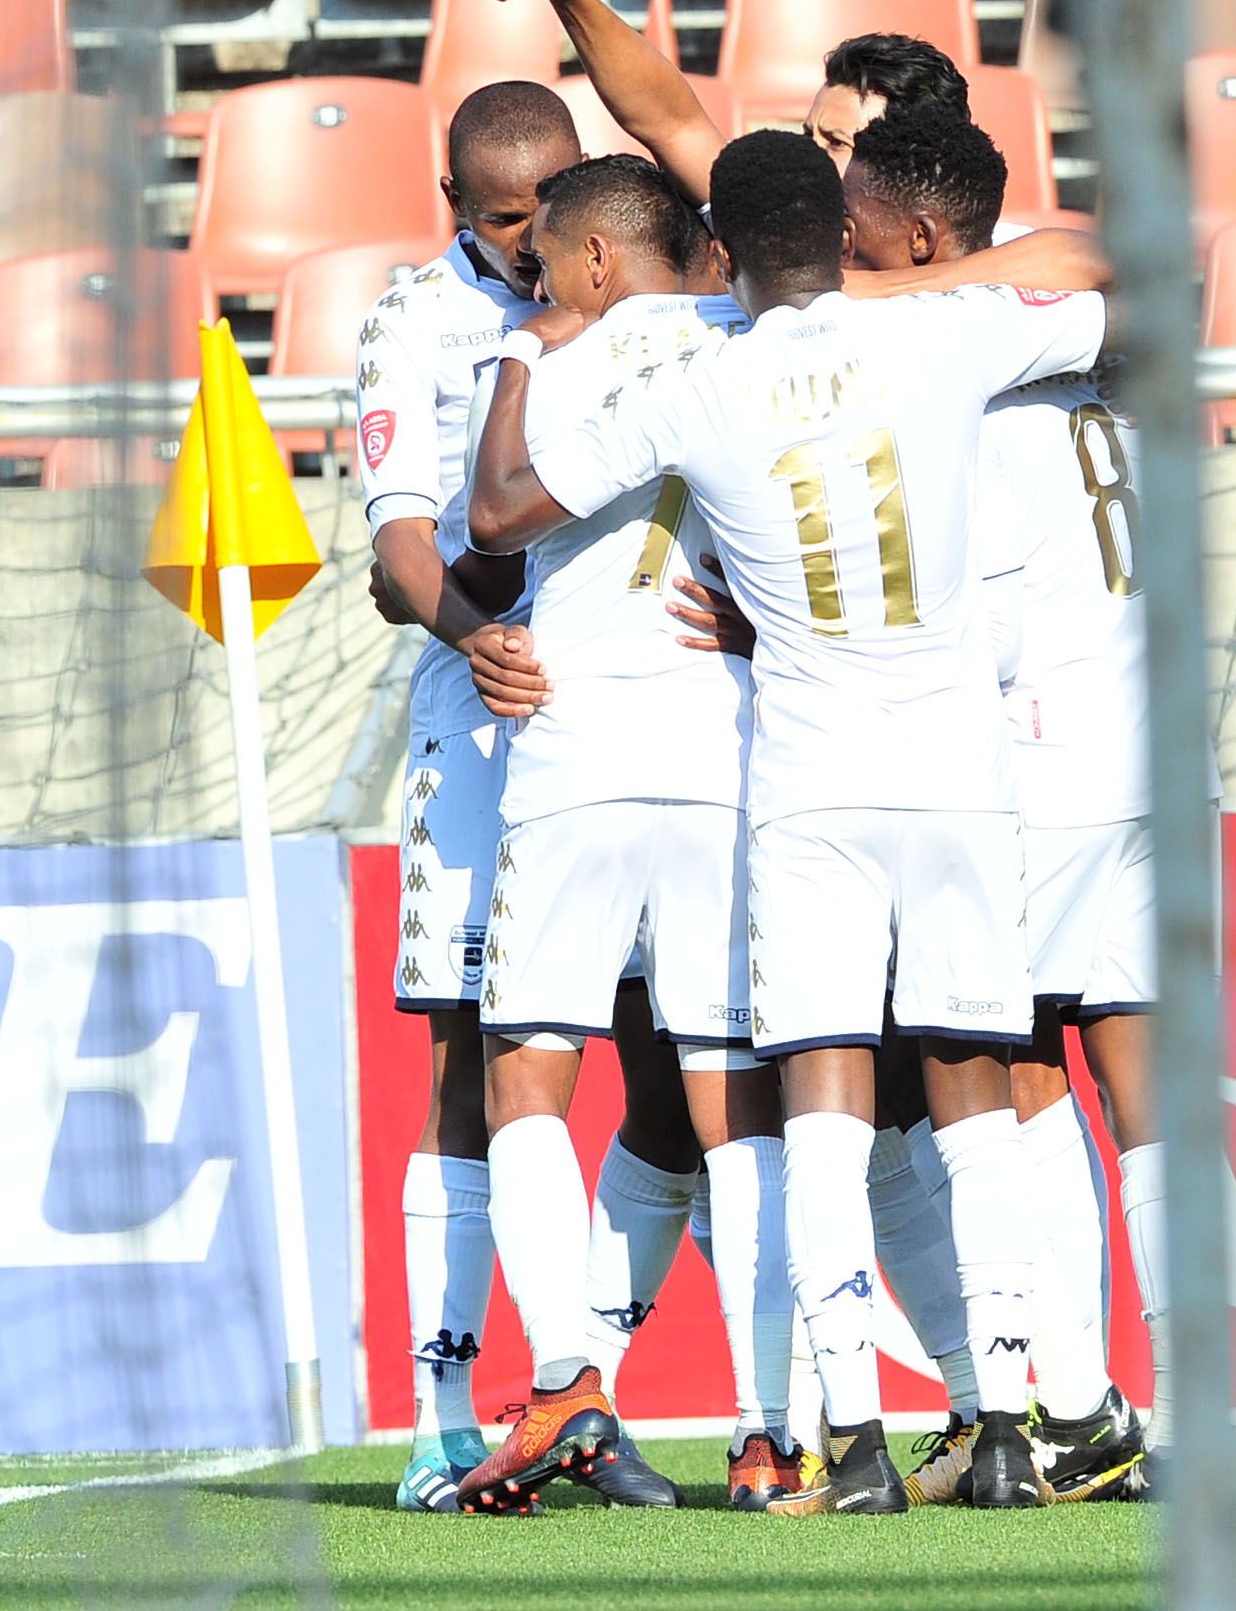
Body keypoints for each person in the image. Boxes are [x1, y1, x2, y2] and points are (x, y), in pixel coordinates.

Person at [470, 131, 1109, 1515]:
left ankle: (854, 1447)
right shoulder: (945, 338)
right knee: (972, 1096)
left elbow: (505, 509)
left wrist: (525, 355)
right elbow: (1126, 291)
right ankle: (1003, 1424)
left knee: (818, 1103)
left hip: (811, 789)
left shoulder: (700, 388)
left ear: (728, 246)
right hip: (959, 773)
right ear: (839, 234)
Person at [446, 154, 814, 1514]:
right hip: (728, 758)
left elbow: (488, 536)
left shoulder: (551, 353)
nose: (532, 279)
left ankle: (563, 1384)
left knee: (527, 1079)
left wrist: (520, 367)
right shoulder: (764, 348)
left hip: (580, 753)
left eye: (545, 255)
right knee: (736, 1102)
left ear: (599, 258)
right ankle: (772, 1432)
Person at [357, 80, 690, 1515]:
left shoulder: (650, 299)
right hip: (488, 732)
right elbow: (393, 550)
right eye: (506, 218)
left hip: (650, 728)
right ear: (459, 212)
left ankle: (579, 1385)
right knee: (469, 1063)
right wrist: (466, 633)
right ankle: (444, 1414)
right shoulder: (412, 322)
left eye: (556, 205)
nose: (536, 235)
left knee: (675, 1076)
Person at [844, 105, 1163, 1501]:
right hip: (1146, 756)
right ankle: (1149, 1408)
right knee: (1126, 1073)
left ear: (921, 235)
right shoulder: (1081, 357)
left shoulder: (954, 373)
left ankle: (1051, 1401)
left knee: (991, 1063)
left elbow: (944, 620)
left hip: (1038, 764)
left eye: (855, 219)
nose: (842, 247)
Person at [467, 0, 1109, 298]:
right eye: (808, 133)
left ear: (913, 167)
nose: (805, 154)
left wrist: (868, 296)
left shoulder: (991, 268)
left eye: (834, 142)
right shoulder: (771, 229)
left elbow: (1090, 262)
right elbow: (670, 121)